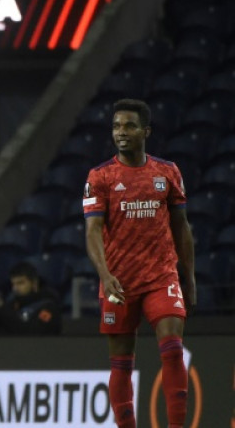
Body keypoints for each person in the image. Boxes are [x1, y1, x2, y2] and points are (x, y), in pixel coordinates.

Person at [83, 98, 195, 428]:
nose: (121, 132)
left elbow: (181, 226)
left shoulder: (167, 172)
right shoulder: (100, 176)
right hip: (119, 281)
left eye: (129, 126)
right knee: (121, 362)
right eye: (116, 126)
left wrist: (188, 276)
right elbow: (92, 231)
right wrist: (105, 274)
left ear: (145, 131)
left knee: (173, 347)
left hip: (161, 275)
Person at [0, 261, 61, 335]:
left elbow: (32, 333)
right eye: (13, 284)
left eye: (20, 283)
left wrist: (3, 310)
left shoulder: (49, 307)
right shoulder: (12, 305)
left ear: (34, 283)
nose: (15, 288)